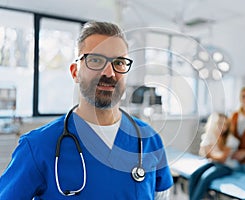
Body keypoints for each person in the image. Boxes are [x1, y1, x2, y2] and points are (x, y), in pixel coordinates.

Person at [0, 21, 173, 199]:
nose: (109, 73)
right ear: (75, 72)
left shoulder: (150, 141)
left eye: (119, 62)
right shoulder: (38, 146)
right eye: (96, 60)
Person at [189, 112, 239, 200]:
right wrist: (211, 155)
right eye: (219, 123)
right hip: (215, 163)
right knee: (194, 175)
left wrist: (211, 155)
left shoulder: (231, 139)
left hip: (227, 166)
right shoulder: (211, 136)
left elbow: (222, 159)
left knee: (205, 178)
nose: (222, 127)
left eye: (225, 125)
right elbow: (206, 155)